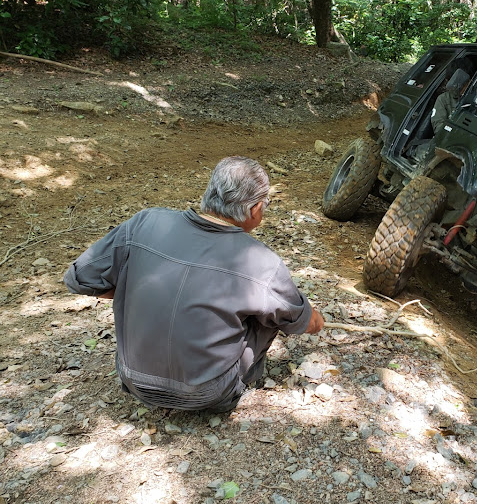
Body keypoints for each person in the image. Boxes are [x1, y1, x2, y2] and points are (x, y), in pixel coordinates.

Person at [63, 156, 325, 412]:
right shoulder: (261, 260)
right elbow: (299, 320)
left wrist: (131, 288)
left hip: (134, 379)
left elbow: (79, 278)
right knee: (269, 312)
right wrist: (317, 320)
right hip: (207, 393)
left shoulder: (145, 222)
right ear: (255, 209)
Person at [431, 58, 475, 133]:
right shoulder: (444, 99)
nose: (462, 88)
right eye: (456, 84)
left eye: (465, 83)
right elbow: (438, 127)